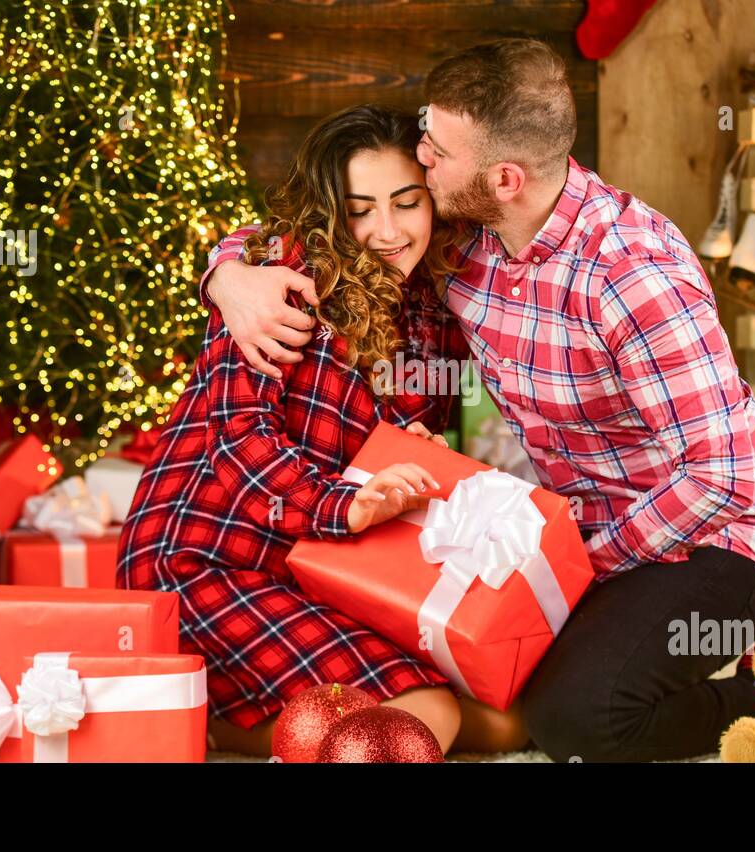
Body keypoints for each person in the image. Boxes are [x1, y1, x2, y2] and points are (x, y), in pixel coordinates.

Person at [201, 39, 755, 761]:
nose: (420, 158)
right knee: (493, 679)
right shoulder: (465, 235)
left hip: (716, 546)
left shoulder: (633, 279)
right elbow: (313, 223)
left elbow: (722, 477)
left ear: (505, 177)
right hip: (580, 538)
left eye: (437, 152)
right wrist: (229, 274)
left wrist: (574, 565)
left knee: (578, 719)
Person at [117, 104, 530, 758]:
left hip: (317, 567)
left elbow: (393, 448)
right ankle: (202, 710)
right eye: (361, 209)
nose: (388, 231)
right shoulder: (283, 281)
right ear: (330, 213)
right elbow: (241, 444)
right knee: (424, 713)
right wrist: (348, 503)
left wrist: (413, 456)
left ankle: (195, 719)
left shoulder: (432, 312)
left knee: (506, 723)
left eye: (406, 203)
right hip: (207, 559)